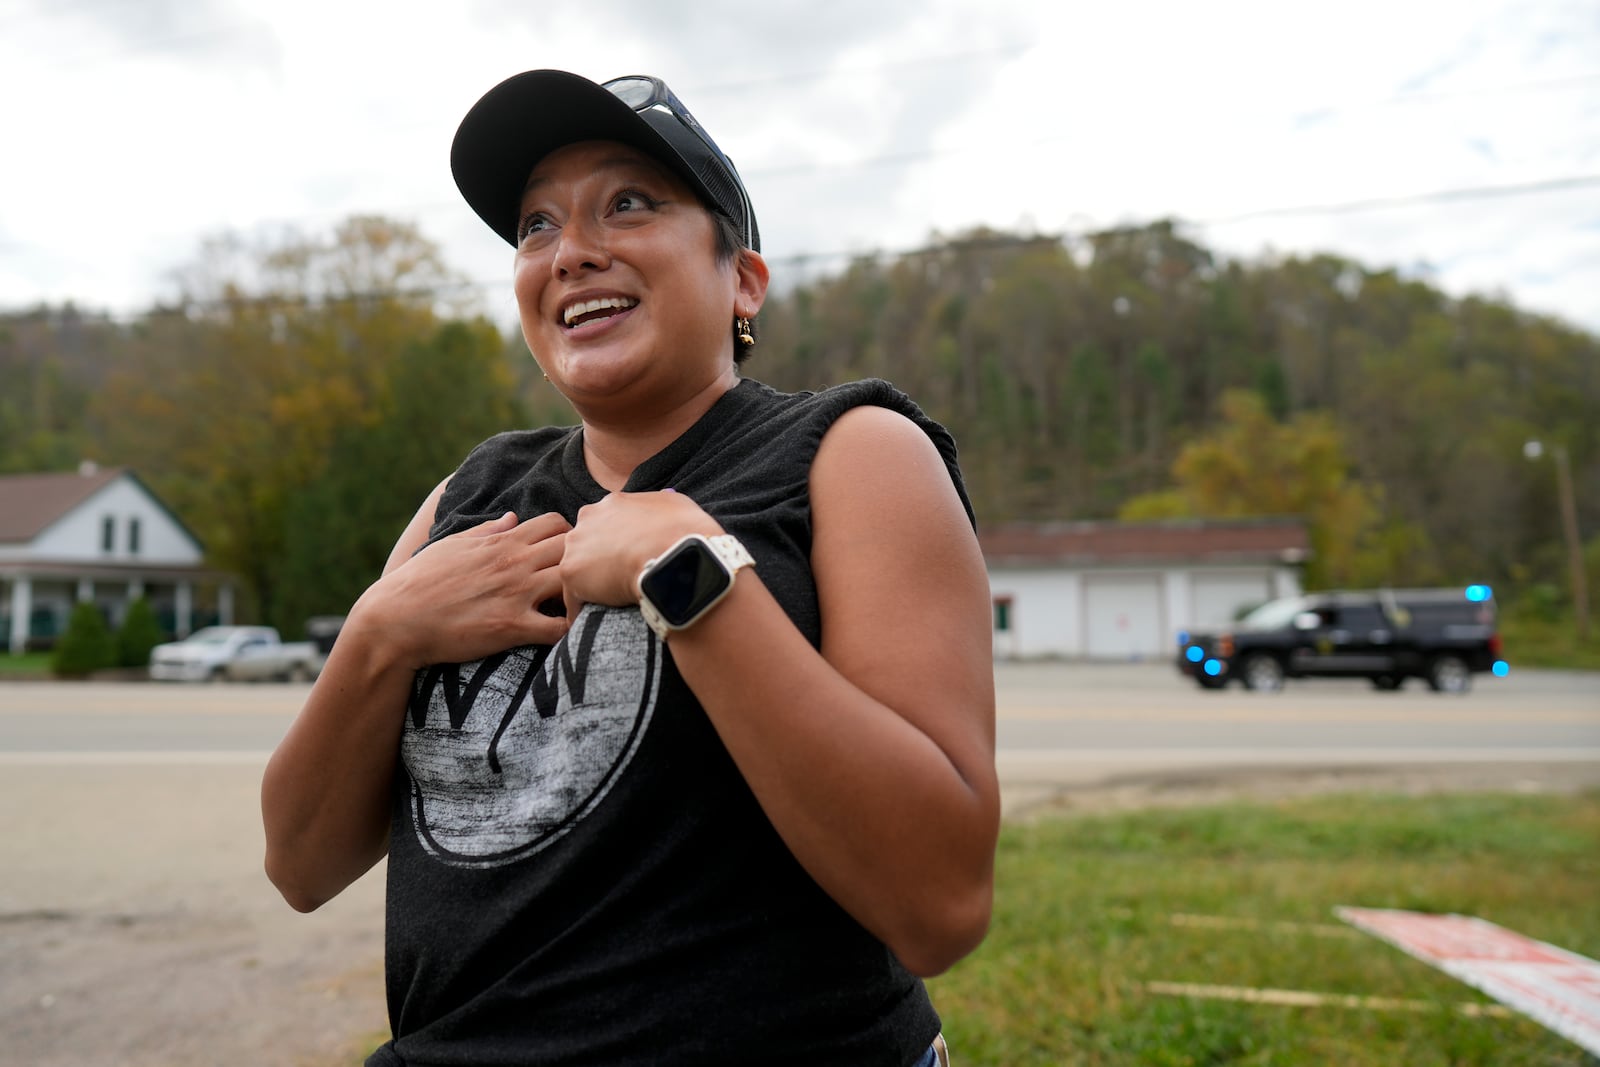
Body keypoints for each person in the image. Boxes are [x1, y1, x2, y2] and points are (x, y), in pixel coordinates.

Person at [261, 69, 998, 1067]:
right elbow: (302, 862)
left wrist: (687, 574)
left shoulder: (848, 450)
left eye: (630, 202)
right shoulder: (467, 496)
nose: (571, 251)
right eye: (535, 225)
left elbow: (939, 901)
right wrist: (381, 630)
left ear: (741, 279)